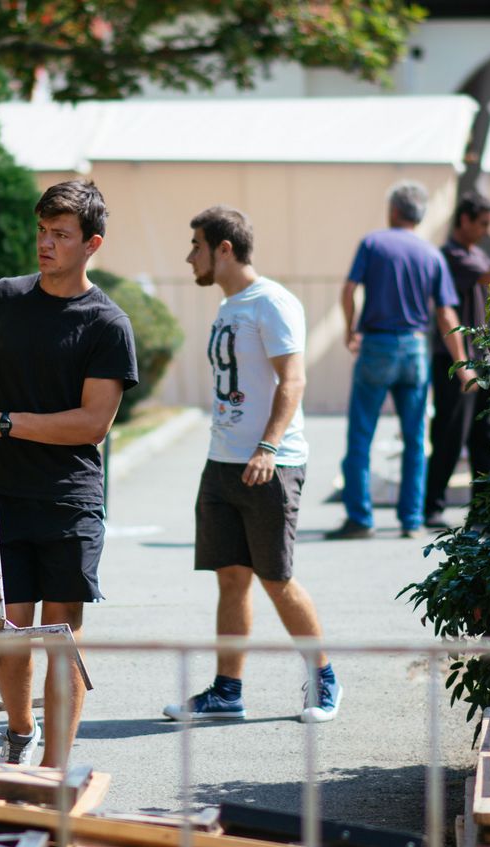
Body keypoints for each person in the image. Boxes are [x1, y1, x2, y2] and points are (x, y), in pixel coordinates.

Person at [0, 180, 138, 767]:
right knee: (7, 630)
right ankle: (20, 731)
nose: (45, 243)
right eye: (41, 230)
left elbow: (92, 424)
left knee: (62, 638)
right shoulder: (3, 299)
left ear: (92, 244)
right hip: (2, 496)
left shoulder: (108, 324)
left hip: (69, 500)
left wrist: (7, 424)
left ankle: (56, 769)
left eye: (60, 234)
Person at [162, 205, 341, 725]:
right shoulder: (229, 306)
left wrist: (267, 447)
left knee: (276, 579)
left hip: (270, 464)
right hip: (222, 463)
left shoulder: (272, 302)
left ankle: (325, 678)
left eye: (196, 246)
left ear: (224, 249)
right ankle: (227, 692)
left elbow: (293, 379)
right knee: (231, 579)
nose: (190, 257)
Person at [327, 181, 476, 541]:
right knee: (415, 438)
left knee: (361, 434)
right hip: (414, 348)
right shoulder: (431, 255)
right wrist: (462, 364)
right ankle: (411, 520)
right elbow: (446, 313)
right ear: (419, 215)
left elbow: (348, 289)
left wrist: (350, 330)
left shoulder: (373, 243)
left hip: (377, 344)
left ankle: (360, 518)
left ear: (394, 210)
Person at [423, 192, 490, 528]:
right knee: (450, 433)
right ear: (465, 219)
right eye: (483, 223)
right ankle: (432, 506)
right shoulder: (451, 255)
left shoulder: (475, 254)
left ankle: (483, 509)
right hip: (455, 360)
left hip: (480, 356)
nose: (486, 231)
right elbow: (489, 276)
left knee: (485, 434)